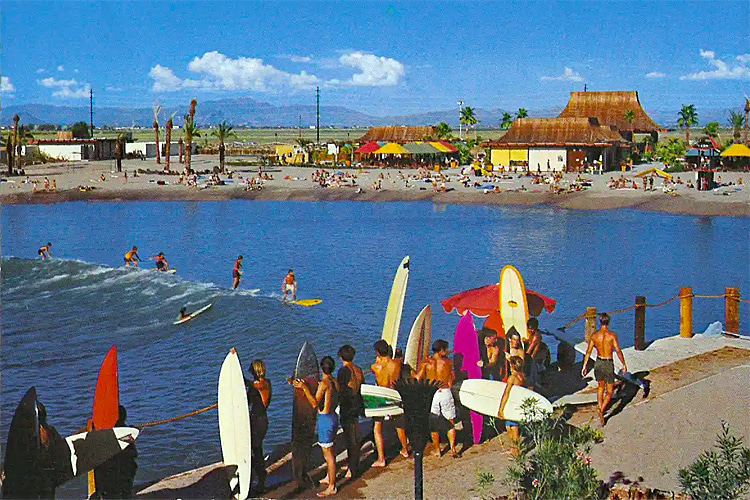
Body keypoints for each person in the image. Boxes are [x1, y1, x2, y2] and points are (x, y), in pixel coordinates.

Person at [293, 356, 339, 498]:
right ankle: (329, 477)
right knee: (330, 450)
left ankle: (332, 486)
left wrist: (305, 388)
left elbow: (314, 403)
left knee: (328, 454)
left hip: (325, 419)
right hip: (333, 416)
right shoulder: (334, 381)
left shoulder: (324, 383)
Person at [582, 313, 628, 425]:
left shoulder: (594, 336)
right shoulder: (611, 336)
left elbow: (588, 352)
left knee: (600, 387)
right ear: (609, 322)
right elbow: (617, 350)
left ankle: (600, 406)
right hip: (607, 362)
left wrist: (585, 365)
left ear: (600, 322)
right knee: (610, 391)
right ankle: (601, 409)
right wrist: (623, 364)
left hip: (598, 362)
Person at [416, 339, 458, 458]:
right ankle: (453, 449)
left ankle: (438, 450)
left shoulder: (425, 363)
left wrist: (411, 370)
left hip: (432, 393)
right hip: (445, 391)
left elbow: (418, 378)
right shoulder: (448, 362)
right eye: (446, 350)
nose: (447, 352)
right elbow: (451, 379)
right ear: (441, 351)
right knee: (450, 421)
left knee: (433, 423)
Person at [371, 339, 410, 465]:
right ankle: (405, 449)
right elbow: (400, 361)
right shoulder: (397, 364)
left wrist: (379, 360)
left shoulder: (375, 367)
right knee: (399, 426)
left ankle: (381, 458)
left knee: (377, 428)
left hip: (381, 396)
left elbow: (377, 369)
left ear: (377, 353)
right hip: (394, 394)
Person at [93, 405, 138, 499]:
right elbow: (133, 453)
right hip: (118, 476)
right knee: (130, 466)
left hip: (106, 477)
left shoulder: (101, 433)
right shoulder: (124, 433)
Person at [337, 345, 365, 479]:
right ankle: (353, 463)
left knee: (350, 438)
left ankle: (352, 467)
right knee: (354, 434)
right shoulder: (358, 370)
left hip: (348, 405)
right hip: (357, 403)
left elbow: (340, 390)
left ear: (341, 357)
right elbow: (362, 388)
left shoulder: (343, 371)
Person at [245, 360, 271, 494]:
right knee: (255, 449)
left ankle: (261, 480)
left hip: (260, 421)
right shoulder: (255, 386)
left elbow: (250, 384)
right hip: (254, 419)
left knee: (256, 450)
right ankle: (258, 478)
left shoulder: (263, 384)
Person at [498, 356, 526, 456]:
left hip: (511, 403)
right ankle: (514, 448)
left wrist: (501, 408)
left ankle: (516, 450)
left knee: (512, 426)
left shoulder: (512, 378)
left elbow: (506, 393)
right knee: (512, 425)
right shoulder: (522, 376)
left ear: (513, 366)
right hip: (518, 403)